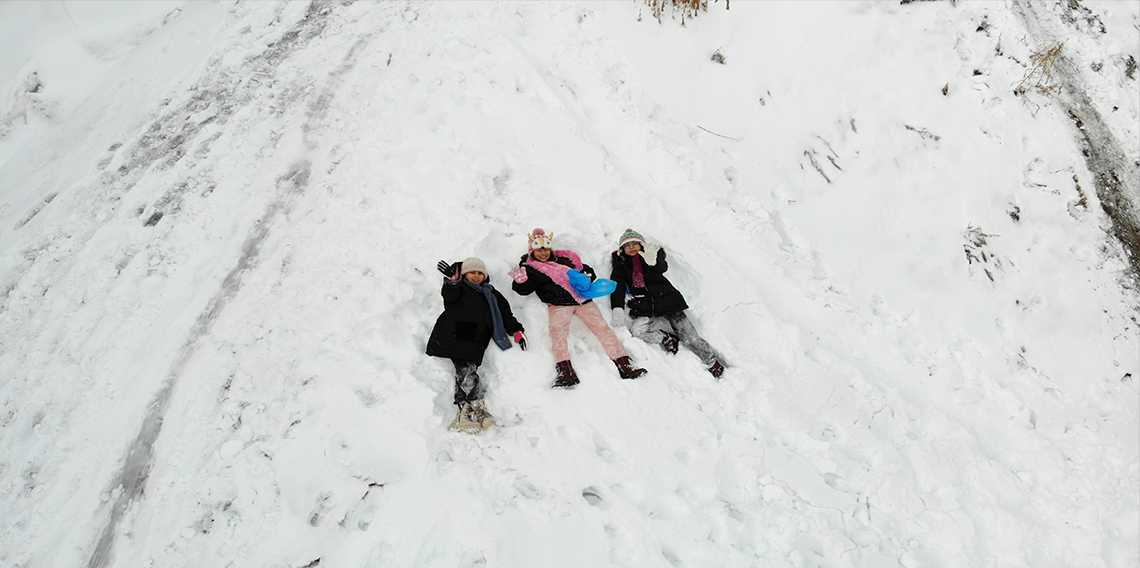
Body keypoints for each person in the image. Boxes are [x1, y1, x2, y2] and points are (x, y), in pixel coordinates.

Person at [509, 228, 646, 388]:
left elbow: (587, 272)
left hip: (583, 301)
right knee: (558, 334)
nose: (543, 253)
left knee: (603, 329)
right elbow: (526, 289)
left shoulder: (564, 260)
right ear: (532, 252)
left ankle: (624, 363)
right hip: (558, 305)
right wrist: (521, 282)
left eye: (546, 249)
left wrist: (587, 275)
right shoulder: (531, 269)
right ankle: (565, 370)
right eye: (539, 250)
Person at [427, 257, 527, 433]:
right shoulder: (460, 288)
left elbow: (506, 314)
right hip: (455, 335)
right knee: (466, 370)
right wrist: (452, 282)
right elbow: (449, 296)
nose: (476, 276)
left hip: (476, 340)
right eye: (472, 272)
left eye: (480, 273)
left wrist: (517, 331)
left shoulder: (492, 294)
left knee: (466, 371)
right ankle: (476, 406)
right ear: (464, 274)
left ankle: (464, 411)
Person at [609, 229, 727, 378]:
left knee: (689, 337)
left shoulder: (651, 255)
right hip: (644, 305)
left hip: (668, 300)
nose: (631, 247)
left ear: (641, 245)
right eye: (627, 245)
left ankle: (712, 363)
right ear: (622, 249)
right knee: (638, 331)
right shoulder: (621, 265)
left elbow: (662, 268)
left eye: (635, 243)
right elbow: (618, 287)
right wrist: (617, 308)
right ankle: (666, 339)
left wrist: (653, 262)